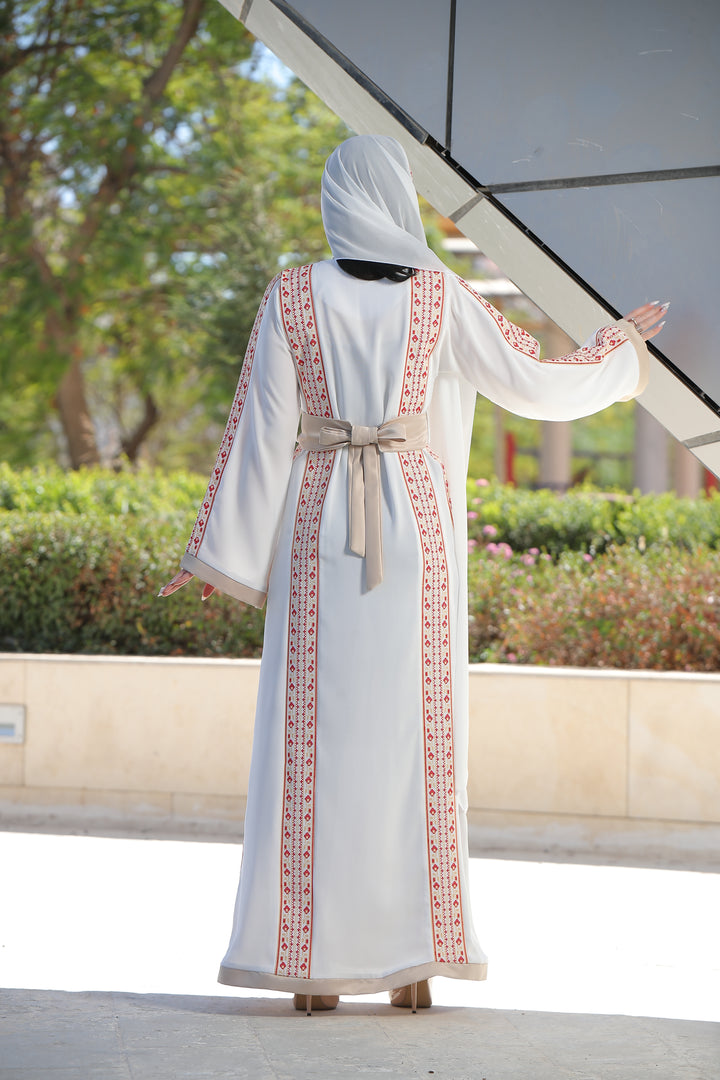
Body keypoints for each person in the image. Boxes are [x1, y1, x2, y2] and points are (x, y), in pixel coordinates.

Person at [159, 133, 667, 1015]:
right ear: (397, 197)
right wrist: (616, 349)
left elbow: (260, 430)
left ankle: (310, 963)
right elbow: (532, 382)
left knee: (313, 739)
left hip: (319, 520)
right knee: (415, 740)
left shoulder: (292, 294)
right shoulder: (441, 296)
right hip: (416, 527)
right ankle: (414, 963)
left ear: (335, 199)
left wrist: (222, 552)